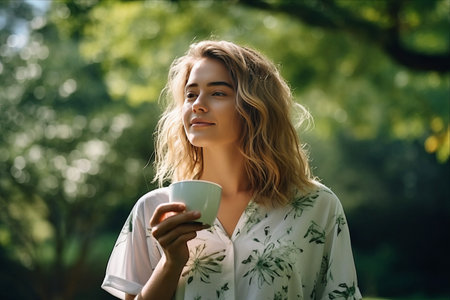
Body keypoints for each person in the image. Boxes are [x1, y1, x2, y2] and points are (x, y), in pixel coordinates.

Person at [101, 40, 362, 300]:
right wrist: (170, 263)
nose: (197, 105)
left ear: (256, 107)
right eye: (191, 94)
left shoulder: (317, 205)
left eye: (218, 93)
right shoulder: (154, 211)